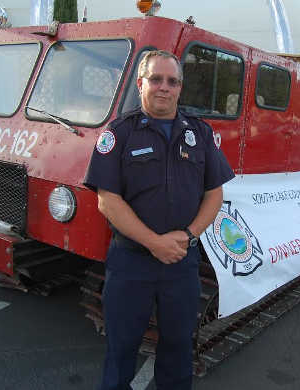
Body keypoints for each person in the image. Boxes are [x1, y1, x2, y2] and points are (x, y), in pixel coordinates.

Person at [84, 50, 235, 390]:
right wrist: (155, 243)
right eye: (156, 79)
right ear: (141, 84)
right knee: (120, 349)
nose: (164, 87)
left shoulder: (200, 133)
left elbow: (214, 194)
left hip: (181, 263)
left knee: (179, 348)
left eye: (172, 81)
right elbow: (107, 200)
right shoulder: (119, 134)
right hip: (131, 264)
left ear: (180, 88)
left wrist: (187, 236)